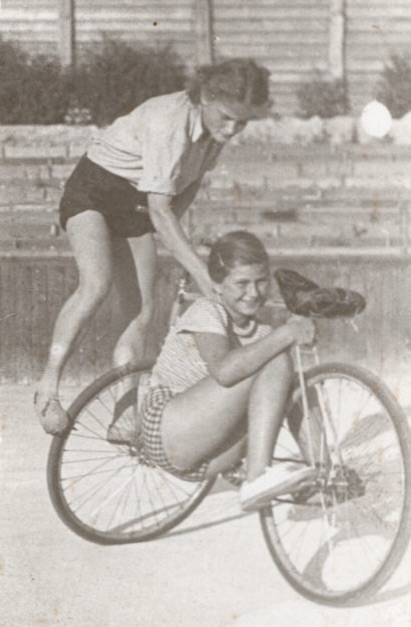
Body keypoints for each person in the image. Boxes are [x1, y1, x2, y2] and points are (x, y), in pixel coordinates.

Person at [34, 58, 272, 434]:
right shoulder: (169, 121)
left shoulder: (214, 133)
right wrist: (199, 271)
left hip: (138, 204)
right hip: (95, 191)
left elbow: (185, 188)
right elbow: (161, 211)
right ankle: (47, 389)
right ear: (206, 97)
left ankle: (124, 413)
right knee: (96, 284)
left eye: (241, 123)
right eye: (227, 118)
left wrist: (175, 240)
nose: (232, 129)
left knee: (141, 312)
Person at [141, 231, 316, 511]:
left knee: (299, 385)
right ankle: (257, 478)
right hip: (167, 432)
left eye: (261, 281)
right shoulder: (207, 310)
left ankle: (323, 471)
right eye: (242, 283)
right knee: (276, 359)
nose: (254, 293)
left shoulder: (261, 331)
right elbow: (224, 371)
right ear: (218, 285)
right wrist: (286, 334)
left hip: (209, 456)